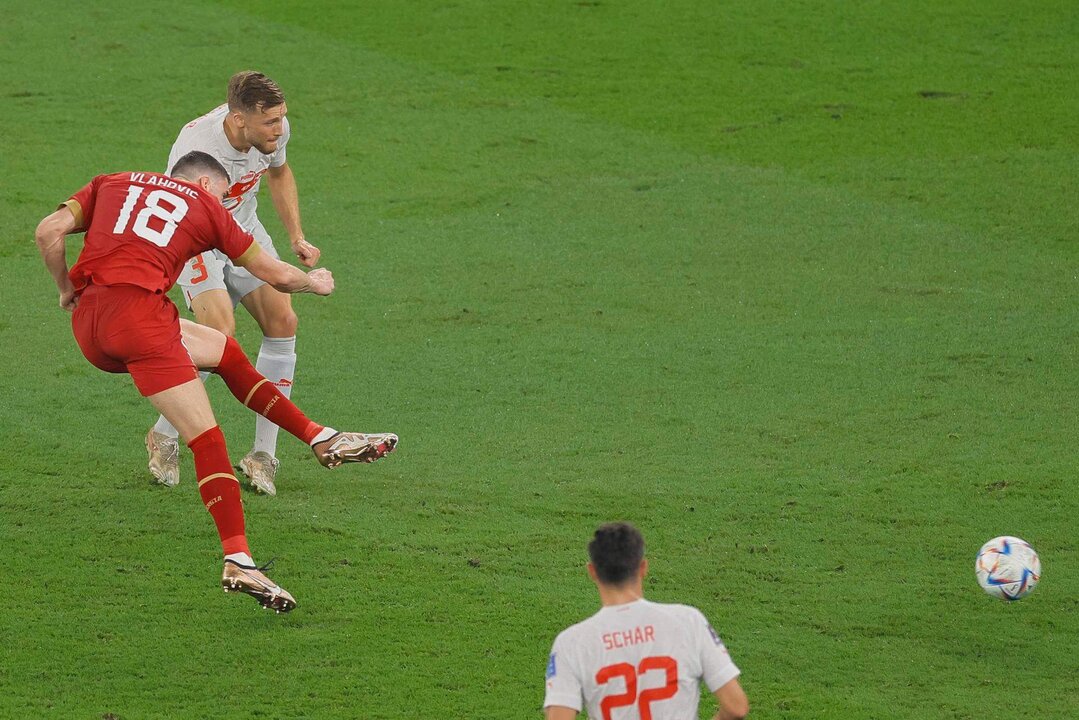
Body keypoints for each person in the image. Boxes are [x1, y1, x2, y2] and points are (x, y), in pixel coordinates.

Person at [34, 151, 398, 612]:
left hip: (91, 322)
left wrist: (66, 288)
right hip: (140, 324)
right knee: (207, 440)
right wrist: (314, 283)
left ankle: (321, 438)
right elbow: (274, 275)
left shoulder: (111, 182)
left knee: (223, 350)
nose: (225, 203)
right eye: (225, 195)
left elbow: (47, 231)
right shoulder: (205, 206)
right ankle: (238, 559)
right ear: (206, 184)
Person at [146, 70, 319, 496]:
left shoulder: (272, 131)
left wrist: (295, 235)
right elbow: (176, 213)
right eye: (270, 122)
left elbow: (279, 173)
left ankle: (263, 455)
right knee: (219, 334)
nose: (279, 129)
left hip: (243, 230)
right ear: (238, 119)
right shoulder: (196, 149)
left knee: (283, 321)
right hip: (198, 239)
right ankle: (165, 434)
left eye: (282, 119)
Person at [543, 523, 749, 720]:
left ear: (592, 572)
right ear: (643, 568)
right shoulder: (688, 622)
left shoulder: (571, 643)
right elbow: (736, 707)